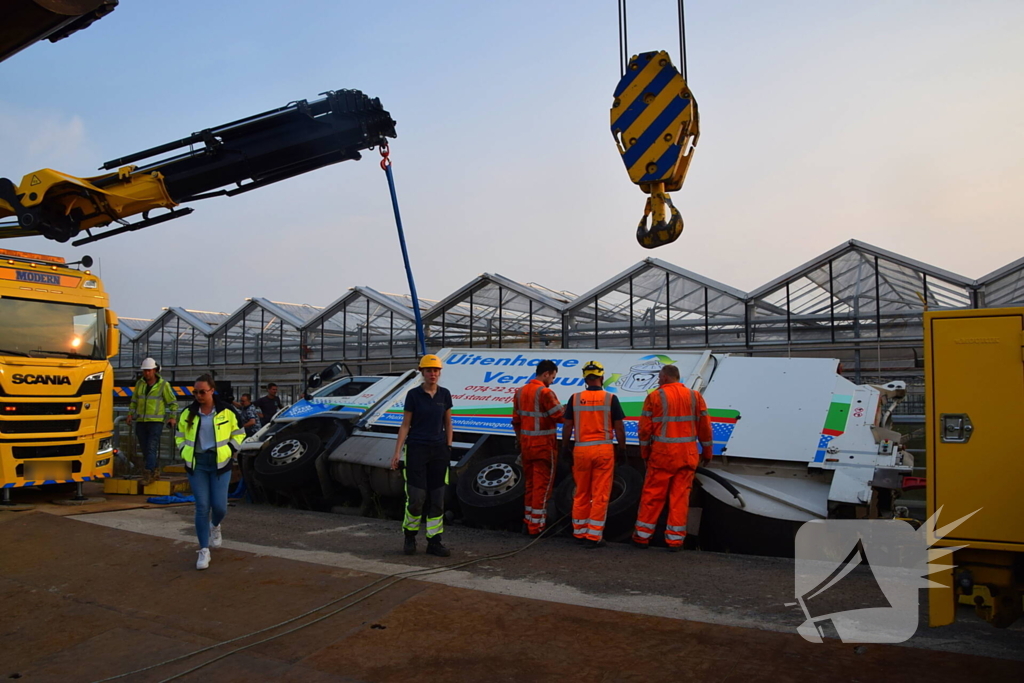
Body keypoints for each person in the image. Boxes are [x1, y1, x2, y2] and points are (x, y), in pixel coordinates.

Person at [631, 364, 713, 552]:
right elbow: (705, 427)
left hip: (662, 455)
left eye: (660, 377)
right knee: (680, 498)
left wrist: (645, 454)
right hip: (687, 455)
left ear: (666, 377)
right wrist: (707, 452)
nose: (658, 380)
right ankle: (675, 541)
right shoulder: (695, 396)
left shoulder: (655, 396)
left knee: (653, 495)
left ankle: (642, 537)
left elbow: (644, 430)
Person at [175, 373, 245, 570]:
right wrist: (183, 450)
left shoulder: (227, 412)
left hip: (220, 463)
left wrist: (230, 450)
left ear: (212, 391)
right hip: (197, 464)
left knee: (220, 506)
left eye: (202, 391)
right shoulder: (188, 413)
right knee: (202, 506)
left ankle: (215, 525)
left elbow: (239, 433)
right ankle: (203, 550)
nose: (198, 395)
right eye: (195, 392)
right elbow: (179, 436)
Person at [390, 354, 453, 557]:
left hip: (439, 451)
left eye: (436, 370)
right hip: (417, 450)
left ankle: (434, 541)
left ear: (439, 372)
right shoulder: (413, 395)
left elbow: (448, 422)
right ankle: (410, 536)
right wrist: (397, 452)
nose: (433, 374)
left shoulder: (445, 395)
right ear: (422, 372)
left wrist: (448, 446)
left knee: (437, 498)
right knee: (416, 498)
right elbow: (405, 425)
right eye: (428, 370)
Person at [559, 361, 626, 549]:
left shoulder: (575, 398)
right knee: (600, 494)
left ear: (585, 378)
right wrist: (622, 449)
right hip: (603, 450)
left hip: (581, 450)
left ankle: (579, 532)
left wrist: (565, 447)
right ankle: (594, 536)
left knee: (581, 492)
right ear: (602, 377)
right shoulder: (610, 398)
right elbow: (619, 427)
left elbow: (567, 425)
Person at [511, 360, 564, 536]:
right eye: (553, 376)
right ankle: (537, 527)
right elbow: (560, 416)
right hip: (543, 447)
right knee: (543, 487)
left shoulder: (520, 392)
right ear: (546, 373)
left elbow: (516, 421)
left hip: (526, 446)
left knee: (531, 485)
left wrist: (520, 441)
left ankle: (528, 522)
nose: (553, 380)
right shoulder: (545, 392)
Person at [126, 358, 178, 485]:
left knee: (151, 448)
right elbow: (134, 401)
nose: (146, 373)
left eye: (149, 371)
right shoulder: (140, 384)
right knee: (145, 448)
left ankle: (148, 473)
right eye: (145, 371)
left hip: (156, 422)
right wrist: (130, 414)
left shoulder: (163, 385)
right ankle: (154, 470)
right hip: (141, 421)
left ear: (155, 370)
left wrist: (172, 417)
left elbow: (172, 403)